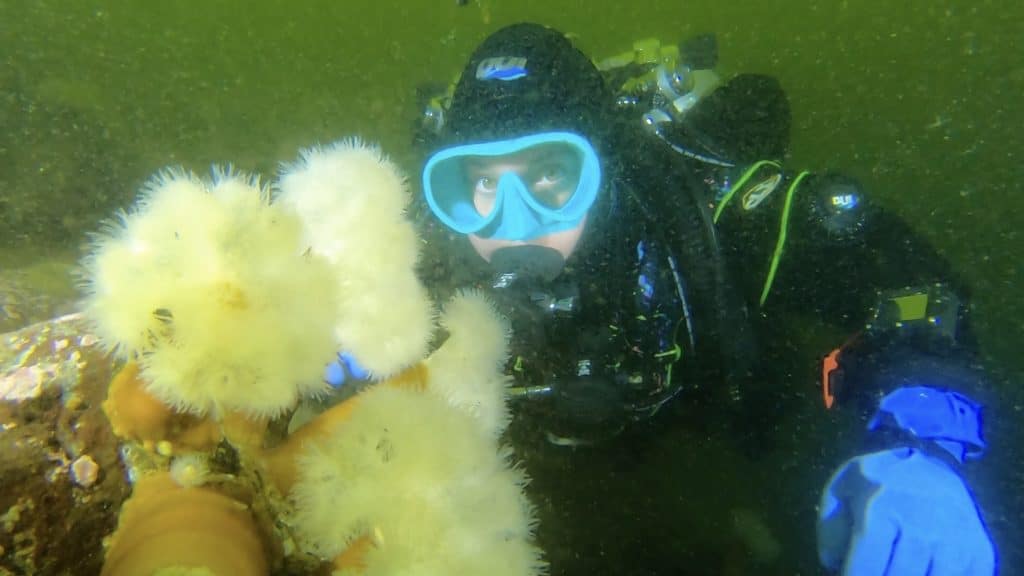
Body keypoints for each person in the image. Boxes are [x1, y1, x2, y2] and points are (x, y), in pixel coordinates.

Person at [337, 22, 1000, 574]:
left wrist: (925, 445)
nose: (515, 221)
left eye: (551, 175)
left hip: (721, 443)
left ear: (604, 167)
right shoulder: (428, 262)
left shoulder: (698, 218)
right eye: (480, 184)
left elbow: (908, 283)